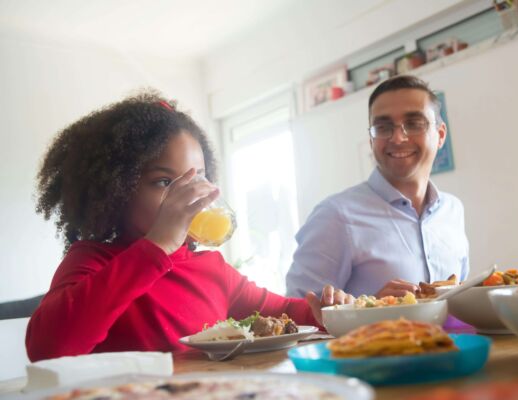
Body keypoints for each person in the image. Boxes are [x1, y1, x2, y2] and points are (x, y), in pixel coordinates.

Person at [26, 92, 352, 362]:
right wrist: (156, 247)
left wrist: (324, 312)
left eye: (195, 179)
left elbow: (282, 312)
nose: (186, 195)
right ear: (116, 189)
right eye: (164, 181)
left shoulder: (212, 269)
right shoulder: (93, 260)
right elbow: (47, 349)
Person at [286, 75, 469, 298]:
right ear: (372, 139)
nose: (398, 138)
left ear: (440, 136)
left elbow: (460, 298)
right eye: (383, 127)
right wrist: (371, 308)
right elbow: (297, 317)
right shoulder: (335, 216)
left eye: (413, 124)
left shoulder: (452, 210)